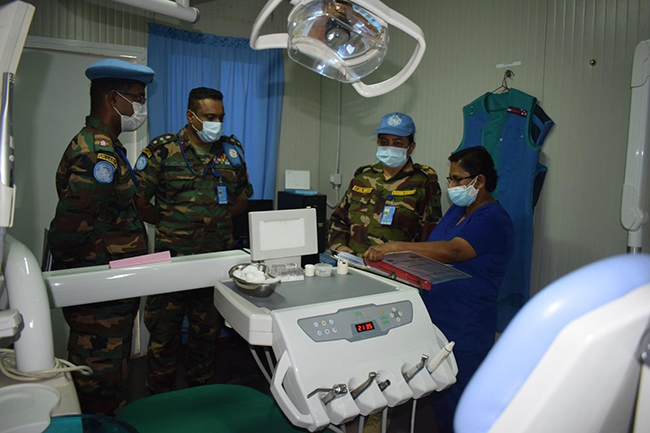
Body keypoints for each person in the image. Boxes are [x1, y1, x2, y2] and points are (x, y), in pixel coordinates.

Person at [364, 146, 515, 433]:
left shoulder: (493, 218)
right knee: (434, 404)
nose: (451, 186)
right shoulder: (458, 211)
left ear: (479, 181)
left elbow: (453, 251)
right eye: (450, 179)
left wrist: (395, 247)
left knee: (461, 406)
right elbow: (430, 251)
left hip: (465, 326)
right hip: (435, 319)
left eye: (458, 180)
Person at [47, 59, 154, 416]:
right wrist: (81, 279)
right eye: (137, 98)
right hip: (98, 299)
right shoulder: (97, 152)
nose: (141, 107)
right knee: (98, 385)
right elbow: (69, 231)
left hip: (110, 290)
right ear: (113, 98)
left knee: (112, 378)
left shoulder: (107, 145)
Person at [135, 87, 253, 395]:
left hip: (213, 268)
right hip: (172, 266)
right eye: (209, 117)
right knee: (163, 341)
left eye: (220, 117)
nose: (217, 123)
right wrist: (172, 222)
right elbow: (138, 200)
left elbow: (242, 197)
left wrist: (218, 217)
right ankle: (158, 405)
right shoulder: (163, 150)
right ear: (191, 116)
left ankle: (200, 399)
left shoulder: (232, 151)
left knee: (207, 340)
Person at [328, 112, 442, 256]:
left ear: (411, 147)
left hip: (397, 270)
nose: (389, 147)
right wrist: (339, 247)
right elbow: (338, 220)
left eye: (397, 143)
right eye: (384, 142)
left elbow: (430, 234)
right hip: (354, 265)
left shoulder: (423, 183)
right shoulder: (362, 179)